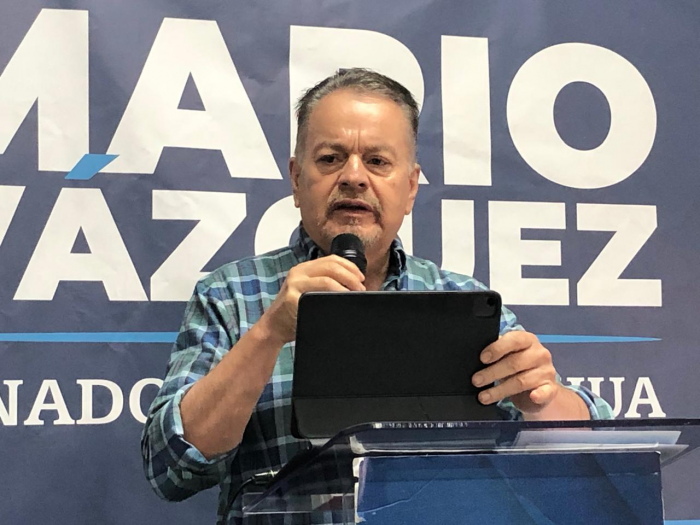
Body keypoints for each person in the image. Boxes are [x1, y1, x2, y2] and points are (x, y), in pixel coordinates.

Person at [141, 68, 613, 524]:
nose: (353, 176)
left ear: (410, 188)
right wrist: (269, 333)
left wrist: (540, 399)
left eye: (378, 161)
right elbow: (170, 468)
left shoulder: (461, 302)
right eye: (330, 158)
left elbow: (597, 453)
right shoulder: (230, 295)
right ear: (296, 179)